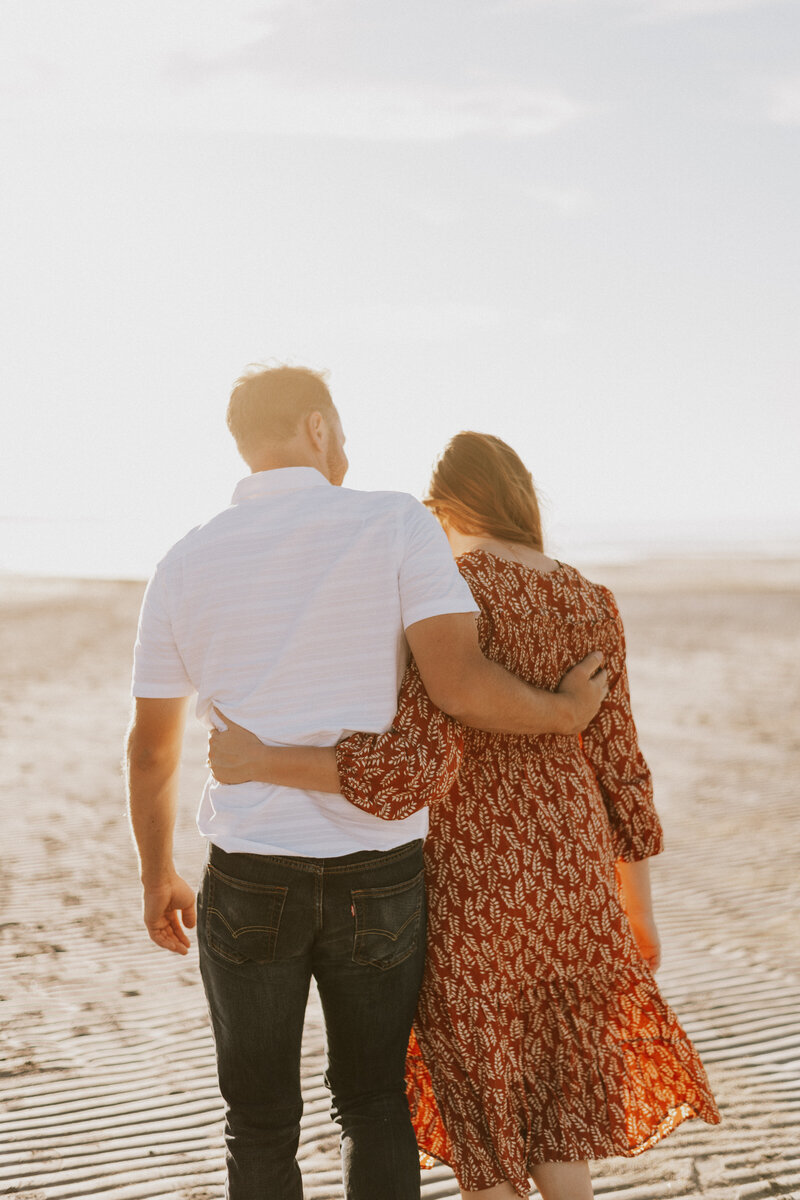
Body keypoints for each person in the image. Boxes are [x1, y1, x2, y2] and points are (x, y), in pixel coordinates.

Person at [125, 369, 609, 1200]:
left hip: (250, 872)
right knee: (374, 1102)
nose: (346, 447)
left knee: (260, 1120)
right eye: (340, 430)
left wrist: (156, 874)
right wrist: (564, 714)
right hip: (379, 871)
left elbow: (152, 750)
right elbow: (459, 686)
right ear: (316, 427)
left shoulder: (183, 560)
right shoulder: (393, 523)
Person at [208, 431, 721, 1200]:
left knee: (480, 1089)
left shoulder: (446, 592)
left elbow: (407, 766)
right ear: (520, 499)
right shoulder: (590, 598)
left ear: (444, 507)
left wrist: (260, 761)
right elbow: (622, 765)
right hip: (573, 873)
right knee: (556, 1095)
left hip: (475, 878)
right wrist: (635, 906)